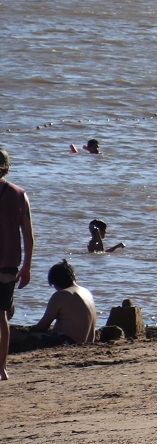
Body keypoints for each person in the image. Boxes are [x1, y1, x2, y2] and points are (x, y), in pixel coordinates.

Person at [11, 260, 95, 351]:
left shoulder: (62, 295)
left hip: (67, 342)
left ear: (55, 283)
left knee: (17, 335)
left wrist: (26, 331)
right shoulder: (86, 292)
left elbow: (43, 326)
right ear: (73, 277)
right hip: (86, 344)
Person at [0, 148, 33, 379]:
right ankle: (1, 368)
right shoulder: (20, 195)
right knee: (2, 315)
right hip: (10, 264)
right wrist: (27, 267)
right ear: (8, 169)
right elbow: (28, 236)